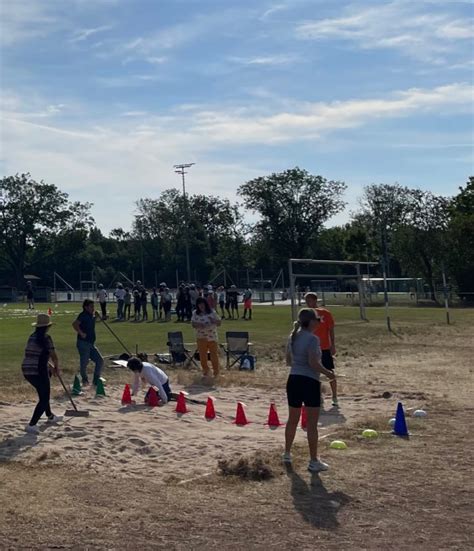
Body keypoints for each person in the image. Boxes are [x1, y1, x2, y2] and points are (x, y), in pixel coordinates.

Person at [283, 308, 336, 472]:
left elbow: (288, 361)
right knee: (312, 425)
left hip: (293, 380)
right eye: (318, 320)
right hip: (309, 381)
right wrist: (329, 374)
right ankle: (313, 461)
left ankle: (287, 453)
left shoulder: (293, 337)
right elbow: (313, 363)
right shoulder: (312, 339)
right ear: (311, 322)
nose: (319, 323)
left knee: (292, 419)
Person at [22, 313, 62, 435]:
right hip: (38, 371)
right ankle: (32, 425)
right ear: (47, 327)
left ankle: (49, 416)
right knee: (44, 398)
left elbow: (37, 355)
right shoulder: (46, 338)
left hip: (27, 369)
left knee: (43, 394)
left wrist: (50, 366)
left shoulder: (32, 337)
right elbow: (54, 356)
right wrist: (56, 368)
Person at [305, 292, 338, 407]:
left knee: (330, 372)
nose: (307, 303)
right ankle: (318, 396)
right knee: (314, 373)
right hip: (312, 348)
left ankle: (334, 396)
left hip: (324, 347)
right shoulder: (307, 315)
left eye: (309, 300)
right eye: (306, 301)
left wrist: (332, 345)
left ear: (314, 301)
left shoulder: (325, 313)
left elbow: (331, 330)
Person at [72, 299, 104, 385]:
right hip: (83, 343)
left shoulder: (91, 315)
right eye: (91, 307)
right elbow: (74, 324)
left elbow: (94, 321)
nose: (93, 308)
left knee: (100, 360)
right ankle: (85, 380)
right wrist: (81, 333)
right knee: (84, 362)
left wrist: (97, 316)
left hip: (91, 344)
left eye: (93, 306)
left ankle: (96, 380)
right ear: (86, 307)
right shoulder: (83, 315)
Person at [191, 297, 221, 377]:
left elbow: (219, 322)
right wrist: (199, 324)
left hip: (212, 337)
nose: (201, 306)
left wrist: (213, 321)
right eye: (199, 304)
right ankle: (206, 371)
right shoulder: (195, 313)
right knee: (202, 357)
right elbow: (193, 324)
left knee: (214, 356)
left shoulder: (212, 312)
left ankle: (216, 373)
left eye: (202, 304)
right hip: (201, 337)